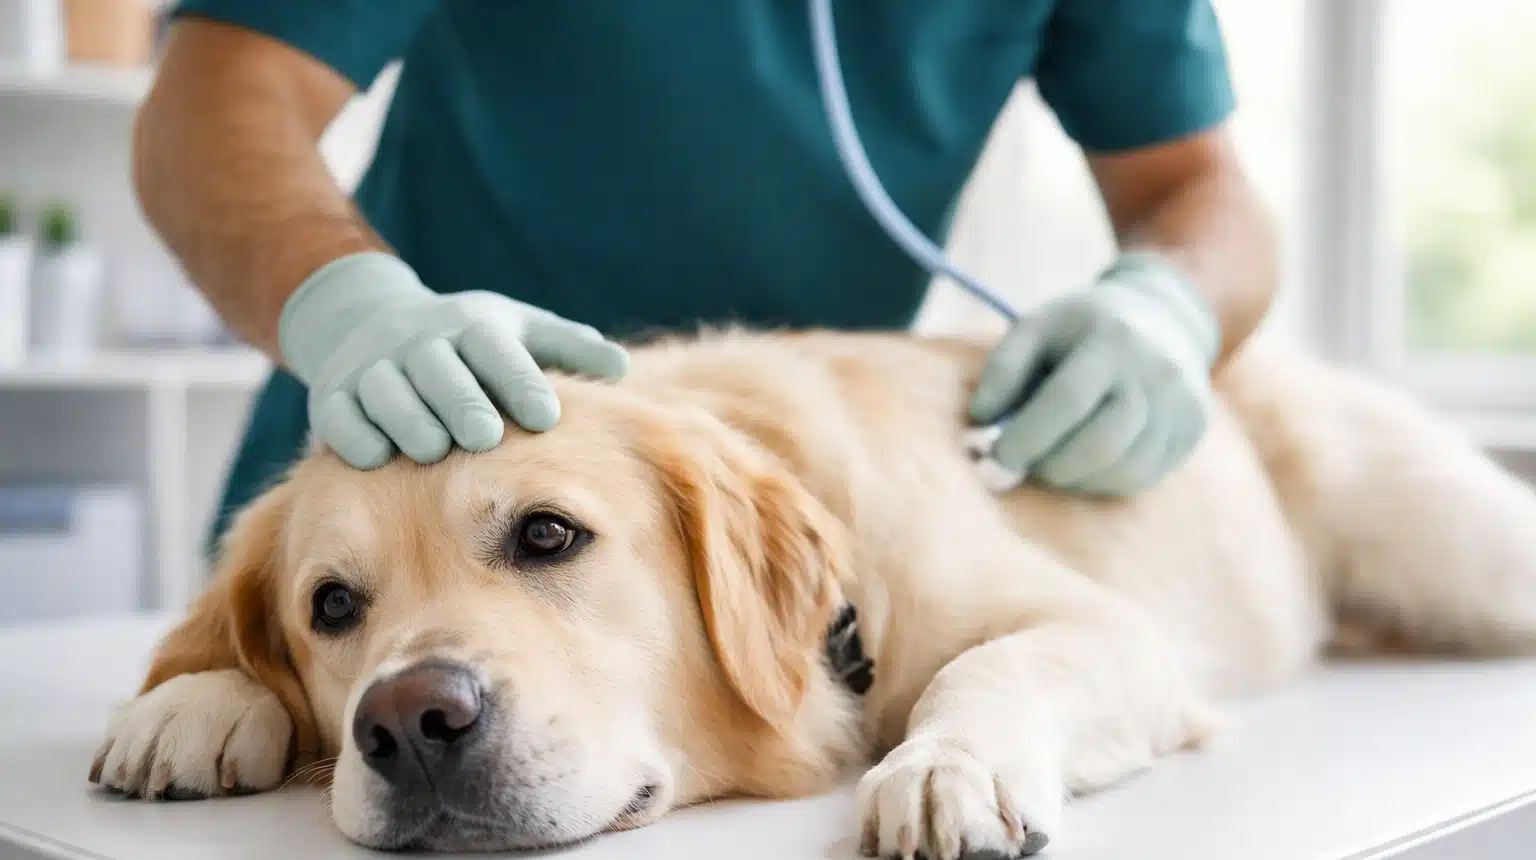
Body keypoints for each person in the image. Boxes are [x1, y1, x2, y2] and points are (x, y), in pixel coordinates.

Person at [134, 2, 1276, 547]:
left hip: (768, 542)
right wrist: (347, 308)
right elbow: (220, 99)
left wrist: (1169, 305)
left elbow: (1198, 186)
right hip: (406, 506)